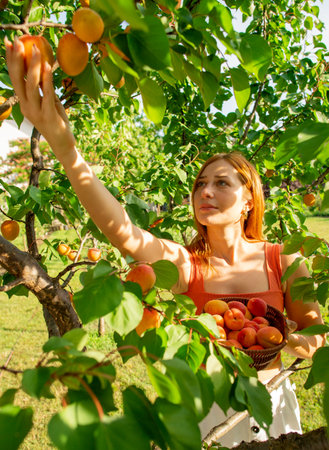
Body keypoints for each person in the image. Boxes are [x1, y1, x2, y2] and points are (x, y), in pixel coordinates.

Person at [5, 38, 325, 447]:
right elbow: (123, 231)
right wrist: (64, 146)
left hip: (272, 405)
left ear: (249, 200)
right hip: (205, 412)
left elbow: (318, 337)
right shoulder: (187, 263)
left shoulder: (287, 261)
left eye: (221, 183)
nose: (205, 192)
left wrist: (284, 340)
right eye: (200, 184)